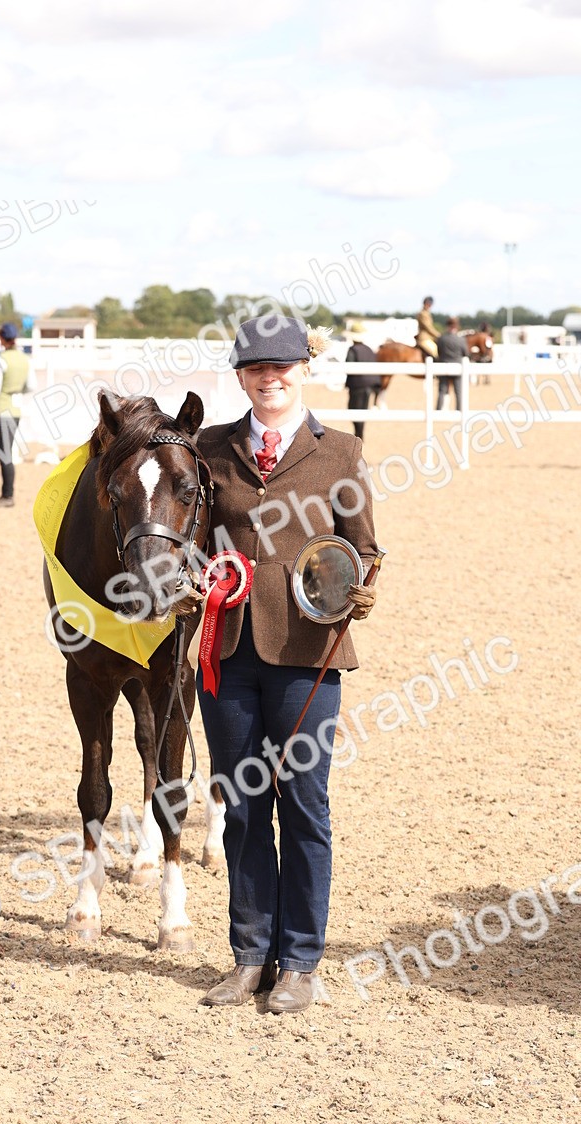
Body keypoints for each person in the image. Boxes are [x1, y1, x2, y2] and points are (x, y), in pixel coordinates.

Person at [195, 315, 379, 1015]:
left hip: (308, 653)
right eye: (254, 369)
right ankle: (249, 958)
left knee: (305, 806)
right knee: (243, 808)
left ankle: (300, 962)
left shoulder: (341, 452)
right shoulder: (211, 449)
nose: (269, 379)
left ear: (305, 368)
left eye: (281, 367)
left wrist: (360, 587)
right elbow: (187, 533)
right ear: (240, 375)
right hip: (228, 652)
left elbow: (364, 546)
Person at [0, 321, 36, 507]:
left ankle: (7, 495)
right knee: (7, 451)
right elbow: (31, 386)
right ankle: (7, 493)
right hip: (14, 411)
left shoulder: (0, 360)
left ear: (2, 338)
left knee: (4, 454)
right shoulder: (25, 359)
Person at [344, 322, 381, 440]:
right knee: (363, 410)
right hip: (370, 384)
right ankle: (360, 435)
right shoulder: (369, 349)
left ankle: (358, 436)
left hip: (357, 385)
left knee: (353, 409)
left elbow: (348, 366)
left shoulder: (352, 349)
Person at [436, 317, 469, 410]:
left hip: (444, 367)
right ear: (457, 327)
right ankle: (459, 410)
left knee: (442, 391)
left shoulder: (441, 339)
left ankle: (438, 410)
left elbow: (439, 352)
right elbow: (465, 353)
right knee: (458, 392)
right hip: (457, 368)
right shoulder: (461, 340)